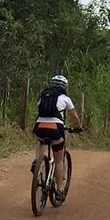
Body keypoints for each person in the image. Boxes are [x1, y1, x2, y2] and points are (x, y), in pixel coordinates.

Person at [32, 74, 83, 204]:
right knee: (59, 160)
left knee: (41, 140)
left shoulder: (43, 95)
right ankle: (60, 190)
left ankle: (38, 161)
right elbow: (74, 116)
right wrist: (78, 127)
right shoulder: (65, 98)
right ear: (65, 87)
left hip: (39, 126)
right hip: (55, 128)